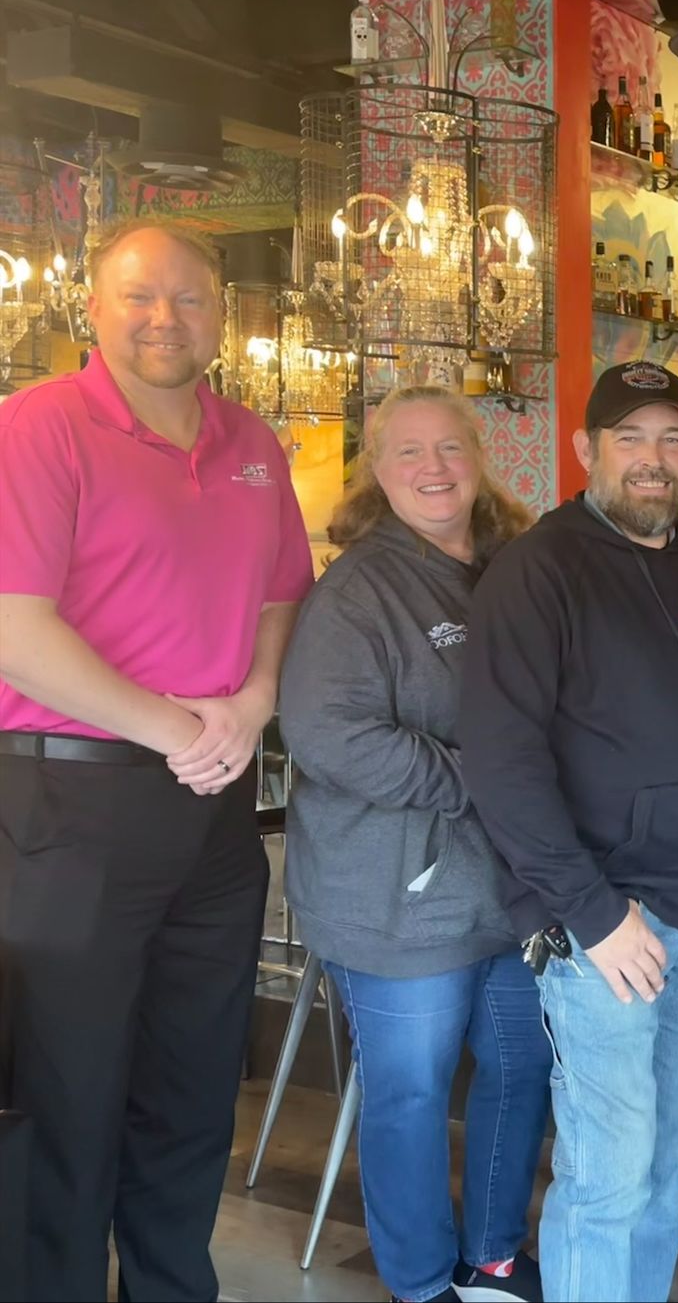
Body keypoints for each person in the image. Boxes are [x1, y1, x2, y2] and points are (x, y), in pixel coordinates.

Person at [0, 218, 313, 1298]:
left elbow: (282, 596)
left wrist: (256, 700)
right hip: (67, 805)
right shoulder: (38, 427)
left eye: (188, 298)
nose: (164, 318)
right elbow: (17, 630)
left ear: (223, 317)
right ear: (91, 308)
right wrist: (180, 727)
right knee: (68, 1092)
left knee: (191, 1087)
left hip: (212, 816)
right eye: (139, 296)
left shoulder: (252, 442)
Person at [458, 359, 678, 1303]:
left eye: (672, 439)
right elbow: (502, 764)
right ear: (586, 450)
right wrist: (597, 915)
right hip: (603, 926)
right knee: (609, 1169)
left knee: (667, 1152)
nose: (654, 460)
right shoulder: (538, 571)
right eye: (630, 439)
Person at [279, 387, 547, 1303]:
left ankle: (494, 1257)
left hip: (511, 893)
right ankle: (423, 1281)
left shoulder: (516, 566)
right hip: (395, 898)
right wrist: (478, 777)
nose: (433, 469)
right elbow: (325, 732)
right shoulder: (359, 588)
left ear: (479, 456)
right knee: (412, 1095)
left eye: (450, 448)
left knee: (523, 1065)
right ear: (376, 473)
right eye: (407, 453)